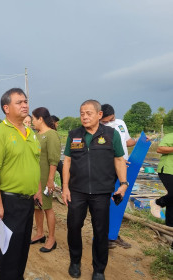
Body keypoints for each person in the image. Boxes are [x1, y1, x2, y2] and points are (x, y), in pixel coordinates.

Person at [62, 100, 127, 280]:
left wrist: (123, 184)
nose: (84, 116)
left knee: (100, 231)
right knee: (74, 226)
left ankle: (99, 269)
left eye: (89, 113)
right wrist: (65, 187)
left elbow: (119, 160)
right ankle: (75, 261)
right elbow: (67, 161)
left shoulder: (111, 134)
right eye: (82, 113)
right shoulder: (74, 134)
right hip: (77, 190)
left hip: (101, 191)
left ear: (99, 115)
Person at [0, 88, 42, 280]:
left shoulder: (30, 133)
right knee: (10, 250)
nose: (25, 105)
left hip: (28, 202)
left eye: (25, 101)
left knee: (23, 248)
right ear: (6, 108)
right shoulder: (0, 134)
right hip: (10, 202)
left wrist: (38, 190)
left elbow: (34, 163)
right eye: (19, 102)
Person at [100, 104, 136, 249]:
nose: (109, 123)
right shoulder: (97, 129)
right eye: (106, 121)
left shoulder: (121, 123)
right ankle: (104, 236)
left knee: (119, 201)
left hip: (123, 169)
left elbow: (127, 142)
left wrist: (140, 142)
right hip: (108, 169)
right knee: (105, 202)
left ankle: (113, 234)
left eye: (111, 119)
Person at [30, 107, 61, 253]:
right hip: (35, 178)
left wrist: (50, 180)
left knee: (47, 207)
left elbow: (54, 160)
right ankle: (40, 233)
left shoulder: (51, 134)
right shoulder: (36, 135)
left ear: (40, 119)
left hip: (45, 177)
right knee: (37, 206)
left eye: (33, 119)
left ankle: (51, 238)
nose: (32, 122)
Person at [150, 132, 173, 252]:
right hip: (168, 169)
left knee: (172, 202)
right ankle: (158, 202)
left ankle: (169, 230)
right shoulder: (171, 135)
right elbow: (160, 149)